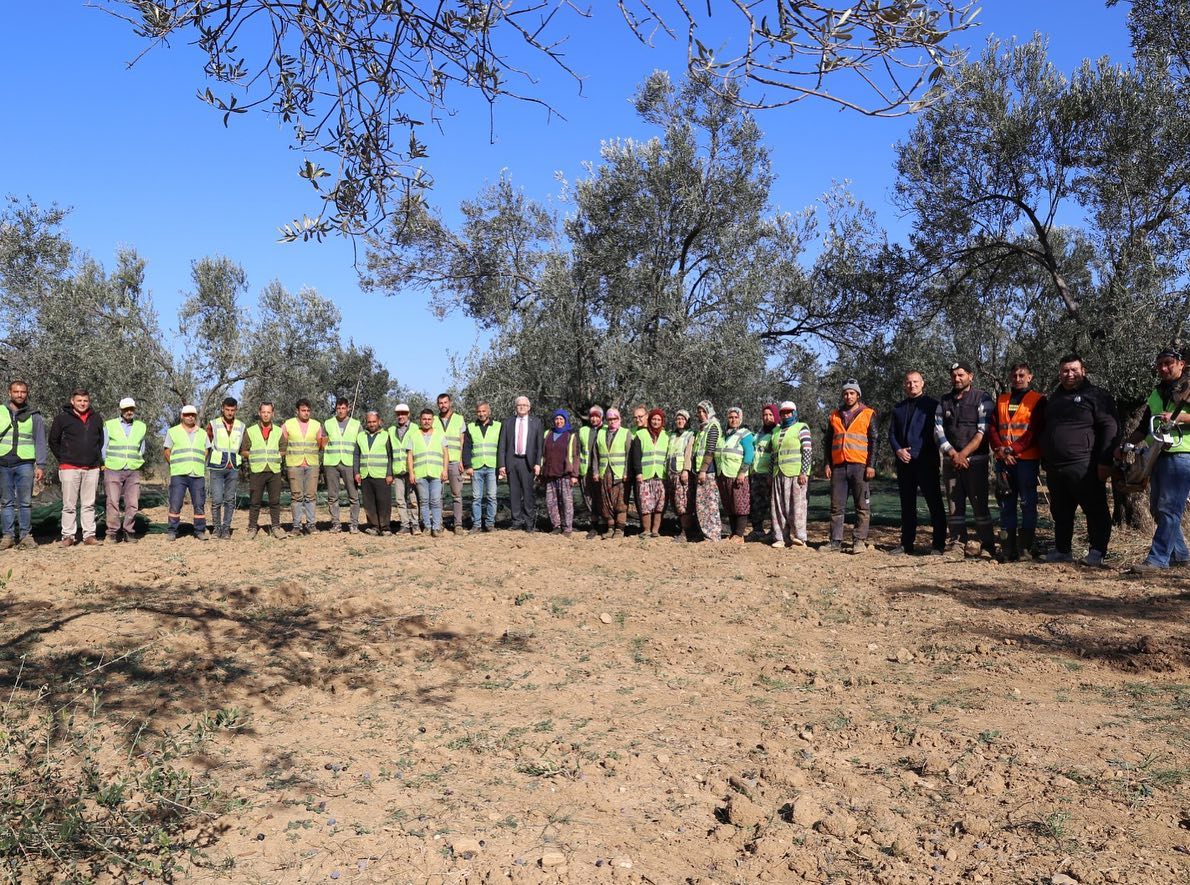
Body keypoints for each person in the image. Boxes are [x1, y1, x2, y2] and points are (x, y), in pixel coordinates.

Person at [1038, 354, 1119, 567]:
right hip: (1056, 467)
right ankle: (1062, 550)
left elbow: (1110, 427)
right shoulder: (1055, 398)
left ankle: (1097, 552)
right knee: (1060, 511)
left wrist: (1105, 460)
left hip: (1085, 464)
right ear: (1059, 373)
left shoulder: (1097, 395)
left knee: (1095, 510)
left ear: (1083, 371)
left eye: (1074, 369)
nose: (1069, 374)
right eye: (1065, 370)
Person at [1123, 348, 1190, 573]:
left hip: (1182, 453)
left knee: (1169, 507)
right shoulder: (1157, 392)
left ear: (1181, 364)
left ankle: (1157, 560)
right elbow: (1144, 426)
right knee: (1158, 508)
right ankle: (1180, 556)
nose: (1163, 368)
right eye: (1159, 364)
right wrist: (1124, 445)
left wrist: (1179, 418)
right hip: (1158, 452)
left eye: (1168, 363)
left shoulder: (1189, 387)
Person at [934, 363, 997, 558]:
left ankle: (988, 545)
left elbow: (983, 430)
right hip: (951, 461)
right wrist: (953, 454)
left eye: (961, 375)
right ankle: (956, 544)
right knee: (954, 505)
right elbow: (938, 430)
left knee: (979, 504)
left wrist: (964, 454)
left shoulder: (982, 398)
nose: (957, 379)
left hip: (975, 461)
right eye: (954, 375)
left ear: (971, 376)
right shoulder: (944, 400)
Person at [989, 363, 1046, 561]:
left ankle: (1025, 549)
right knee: (1006, 503)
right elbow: (993, 428)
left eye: (1022, 375)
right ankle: (1007, 549)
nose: (1018, 379)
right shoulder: (1002, 399)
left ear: (1030, 377)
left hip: (1026, 461)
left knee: (1027, 504)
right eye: (1014, 375)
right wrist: (1000, 449)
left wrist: (1012, 449)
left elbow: (1034, 431)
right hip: (1003, 461)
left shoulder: (1038, 400)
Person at [888, 371, 947, 556]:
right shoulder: (898, 408)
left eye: (915, 382)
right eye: (908, 382)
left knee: (934, 503)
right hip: (904, 464)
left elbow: (937, 433)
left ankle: (938, 544)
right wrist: (898, 450)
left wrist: (916, 451)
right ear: (904, 385)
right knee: (907, 505)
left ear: (922, 383)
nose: (912, 385)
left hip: (926, 462)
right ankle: (906, 544)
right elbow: (892, 434)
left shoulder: (933, 406)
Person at [824, 380, 876, 553]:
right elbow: (828, 441)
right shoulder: (834, 416)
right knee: (836, 506)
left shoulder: (868, 413)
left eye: (852, 393)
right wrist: (827, 463)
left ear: (858, 395)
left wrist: (871, 465)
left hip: (860, 465)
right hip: (839, 466)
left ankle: (859, 541)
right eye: (846, 393)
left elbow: (874, 441)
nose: (848, 396)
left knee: (862, 505)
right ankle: (835, 541)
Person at [48, 388, 105, 547]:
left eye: (85, 400)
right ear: (72, 401)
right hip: (69, 467)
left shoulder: (96, 418)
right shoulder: (62, 418)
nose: (82, 403)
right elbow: (53, 441)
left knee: (89, 504)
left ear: (89, 401)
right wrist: (64, 457)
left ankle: (89, 536)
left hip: (92, 468)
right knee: (69, 504)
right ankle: (68, 536)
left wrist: (95, 458)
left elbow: (100, 441)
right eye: (79, 400)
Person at [0, 380, 47, 549]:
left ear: (27, 394)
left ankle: (26, 535)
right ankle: (8, 536)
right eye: (16, 392)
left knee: (25, 502)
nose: (19, 395)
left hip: (25, 464)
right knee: (6, 502)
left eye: (23, 392)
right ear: (9, 393)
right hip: (3, 463)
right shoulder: (1, 412)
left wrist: (41, 465)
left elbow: (40, 441)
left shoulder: (34, 415)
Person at [163, 404, 211, 541]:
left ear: (195, 416)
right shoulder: (173, 431)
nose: (190, 417)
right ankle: (172, 530)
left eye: (192, 415)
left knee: (199, 503)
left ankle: (199, 530)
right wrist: (174, 464)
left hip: (197, 474)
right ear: (182, 416)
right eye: (187, 415)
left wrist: (199, 461)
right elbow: (167, 451)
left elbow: (206, 450)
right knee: (175, 503)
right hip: (179, 474)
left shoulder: (202, 433)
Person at [101, 397, 146, 544]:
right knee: (112, 502)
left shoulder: (141, 426)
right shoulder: (110, 425)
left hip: (133, 468)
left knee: (132, 502)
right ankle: (112, 532)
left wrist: (136, 461)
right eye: (126, 409)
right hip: (113, 468)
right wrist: (106, 463)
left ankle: (129, 531)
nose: (129, 412)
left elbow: (142, 448)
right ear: (121, 410)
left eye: (131, 409)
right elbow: (103, 446)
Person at [497, 396, 543, 532]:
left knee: (528, 493)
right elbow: (502, 444)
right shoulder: (508, 422)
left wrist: (538, 463)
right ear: (515, 407)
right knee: (514, 493)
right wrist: (502, 464)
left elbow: (539, 445)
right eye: (519, 405)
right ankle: (516, 521)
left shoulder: (536, 422)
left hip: (528, 462)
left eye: (524, 405)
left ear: (529, 407)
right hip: (512, 461)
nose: (522, 407)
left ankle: (529, 523)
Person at [770, 401, 812, 548]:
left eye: (789, 412)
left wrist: (804, 472)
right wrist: (771, 474)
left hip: (795, 473)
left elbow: (807, 450)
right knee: (778, 507)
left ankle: (799, 537)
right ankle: (781, 537)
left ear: (794, 413)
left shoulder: (801, 427)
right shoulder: (776, 431)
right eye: (783, 413)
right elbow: (773, 454)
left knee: (797, 506)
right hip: (778, 473)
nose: (786, 415)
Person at [240, 402, 285, 539]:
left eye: (268, 412)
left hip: (274, 470)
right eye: (263, 412)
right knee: (255, 501)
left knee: (275, 501)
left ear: (273, 414)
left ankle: (276, 527)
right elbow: (243, 451)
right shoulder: (251, 431)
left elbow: (283, 449)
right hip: (257, 470)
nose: (266, 415)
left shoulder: (278, 431)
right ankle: (252, 527)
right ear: (259, 413)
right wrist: (253, 456)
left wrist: (276, 456)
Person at [280, 398, 325, 535]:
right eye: (303, 410)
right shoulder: (288, 425)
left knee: (311, 496)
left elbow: (320, 445)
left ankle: (311, 524)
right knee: (296, 496)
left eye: (308, 410)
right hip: (294, 464)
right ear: (297, 411)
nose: (306, 413)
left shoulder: (317, 425)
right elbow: (282, 444)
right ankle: (296, 526)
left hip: (312, 464)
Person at [206, 396, 245, 540]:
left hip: (233, 467)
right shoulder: (213, 424)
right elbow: (206, 444)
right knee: (216, 499)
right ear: (222, 408)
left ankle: (226, 528)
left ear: (236, 410)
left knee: (230, 500)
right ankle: (216, 528)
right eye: (227, 409)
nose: (229, 412)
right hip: (217, 467)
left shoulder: (241, 426)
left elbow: (243, 447)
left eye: (232, 410)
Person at [408, 407, 449, 537]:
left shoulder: (440, 434)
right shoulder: (414, 435)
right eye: (424, 419)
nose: (426, 421)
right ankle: (427, 526)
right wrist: (411, 473)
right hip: (420, 473)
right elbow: (410, 455)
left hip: (436, 473)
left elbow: (446, 454)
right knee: (424, 501)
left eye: (429, 419)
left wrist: (445, 470)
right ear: (420, 420)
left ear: (433, 420)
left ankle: (436, 527)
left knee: (436, 501)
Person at [716, 406, 754, 543]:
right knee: (729, 504)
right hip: (724, 474)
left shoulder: (745, 434)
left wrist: (742, 472)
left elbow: (749, 454)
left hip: (737, 474)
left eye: (736, 417)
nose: (733, 420)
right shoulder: (724, 435)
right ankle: (733, 533)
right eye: (731, 417)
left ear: (740, 419)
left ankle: (739, 534)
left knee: (740, 505)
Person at [323, 397, 362, 533]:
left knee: (353, 496)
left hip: (349, 463)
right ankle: (336, 524)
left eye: (343, 408)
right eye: (338, 408)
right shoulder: (328, 423)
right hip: (331, 463)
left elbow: (360, 445)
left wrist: (359, 466)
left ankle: (354, 524)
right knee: (332, 496)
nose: (340, 411)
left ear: (348, 409)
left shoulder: (356, 424)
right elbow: (323, 442)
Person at [630, 408, 669, 538]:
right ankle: (646, 529)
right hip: (645, 475)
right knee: (645, 502)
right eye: (653, 419)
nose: (656, 422)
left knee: (660, 503)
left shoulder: (666, 436)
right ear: (649, 420)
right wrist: (638, 472)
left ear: (662, 421)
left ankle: (655, 530)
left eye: (658, 420)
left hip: (661, 475)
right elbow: (636, 456)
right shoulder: (640, 435)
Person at [463, 401, 501, 533]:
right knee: (476, 498)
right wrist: (468, 465)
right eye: (479, 411)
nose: (481, 414)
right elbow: (467, 448)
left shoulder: (498, 426)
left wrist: (501, 465)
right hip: (476, 467)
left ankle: (490, 524)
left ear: (488, 412)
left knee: (492, 496)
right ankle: (477, 524)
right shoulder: (471, 427)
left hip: (492, 466)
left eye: (484, 411)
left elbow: (502, 447)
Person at [354, 409, 393, 534]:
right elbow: (356, 455)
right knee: (369, 503)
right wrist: (356, 472)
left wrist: (389, 473)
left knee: (383, 502)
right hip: (366, 474)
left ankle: (385, 527)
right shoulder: (360, 436)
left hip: (381, 474)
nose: (371, 424)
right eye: (369, 422)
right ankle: (373, 526)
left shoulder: (386, 435)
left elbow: (390, 456)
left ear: (379, 421)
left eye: (374, 422)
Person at [542, 409, 580, 535]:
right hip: (550, 473)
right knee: (551, 502)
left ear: (565, 420)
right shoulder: (548, 433)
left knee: (566, 502)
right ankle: (556, 526)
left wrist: (574, 474)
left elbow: (575, 456)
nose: (558, 421)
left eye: (561, 419)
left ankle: (567, 527)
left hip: (564, 474)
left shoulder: (571, 435)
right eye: (556, 419)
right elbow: (543, 453)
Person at [435, 393, 467, 534]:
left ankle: (458, 524)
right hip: (439, 462)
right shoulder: (434, 420)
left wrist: (461, 460)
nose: (443, 405)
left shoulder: (459, 419)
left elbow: (462, 441)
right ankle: (438, 523)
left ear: (450, 403)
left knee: (456, 494)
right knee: (438, 495)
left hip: (454, 461)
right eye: (440, 403)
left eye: (445, 402)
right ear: (438, 405)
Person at [693, 401, 723, 542]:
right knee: (702, 505)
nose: (701, 414)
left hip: (708, 471)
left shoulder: (713, 426)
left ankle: (713, 534)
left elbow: (710, 450)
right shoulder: (702, 428)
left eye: (704, 411)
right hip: (701, 470)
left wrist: (703, 470)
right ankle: (706, 533)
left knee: (710, 504)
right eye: (699, 412)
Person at [664, 409, 695, 541]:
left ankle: (686, 532)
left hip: (681, 473)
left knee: (683, 503)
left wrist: (686, 470)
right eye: (678, 419)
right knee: (675, 502)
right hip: (671, 473)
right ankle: (681, 527)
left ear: (687, 421)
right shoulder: (672, 435)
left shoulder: (690, 435)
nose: (680, 421)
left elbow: (688, 454)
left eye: (682, 419)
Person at [748, 405, 778, 541]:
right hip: (756, 473)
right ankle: (757, 530)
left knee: (773, 504)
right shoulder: (758, 433)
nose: (767, 418)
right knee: (756, 503)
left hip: (770, 474)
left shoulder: (777, 432)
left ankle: (774, 532)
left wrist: (771, 474)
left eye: (770, 415)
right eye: (765, 415)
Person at [389, 403, 419, 534]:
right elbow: (390, 452)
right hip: (398, 470)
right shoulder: (391, 430)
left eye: (403, 414)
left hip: (411, 470)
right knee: (400, 500)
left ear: (408, 414)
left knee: (413, 499)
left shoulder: (415, 429)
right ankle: (404, 524)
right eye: (398, 414)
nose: (401, 416)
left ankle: (415, 523)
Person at [578, 406, 605, 540]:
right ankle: (594, 526)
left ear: (601, 417)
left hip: (602, 471)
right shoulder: (583, 431)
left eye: (597, 416)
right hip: (586, 470)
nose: (594, 419)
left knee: (602, 499)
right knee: (589, 499)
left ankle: (606, 525)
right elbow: (577, 451)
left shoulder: (606, 430)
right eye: (592, 416)